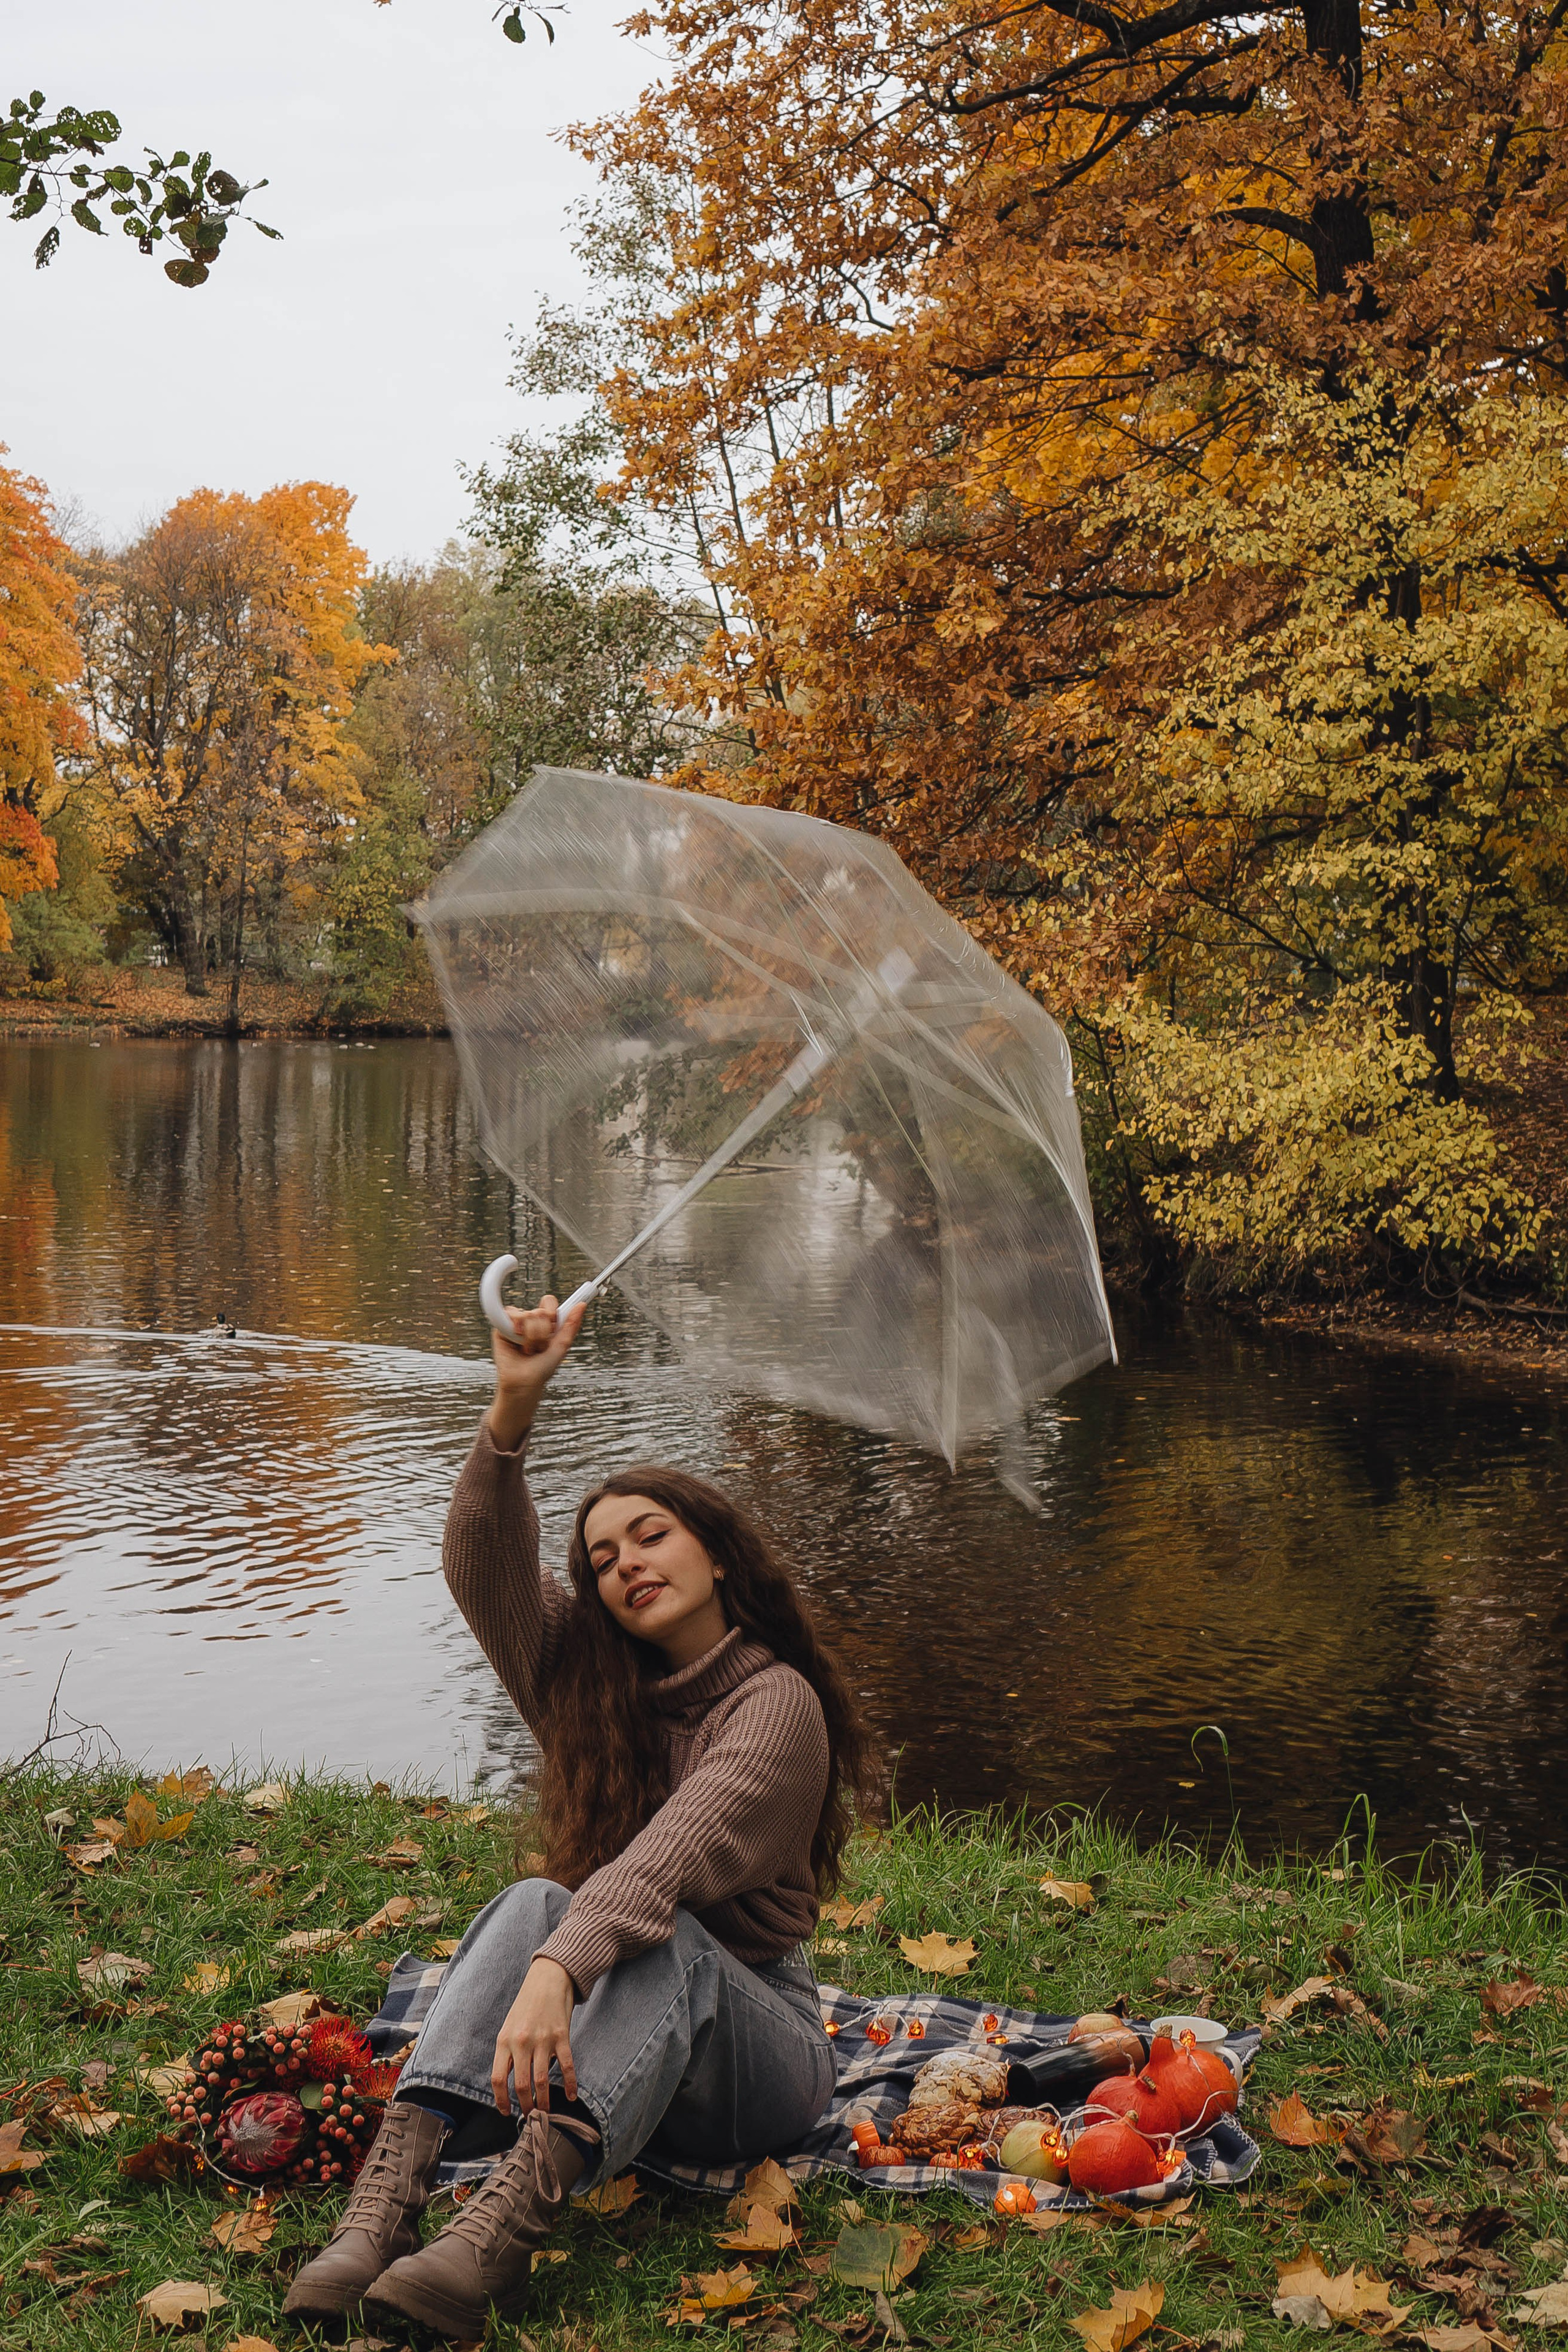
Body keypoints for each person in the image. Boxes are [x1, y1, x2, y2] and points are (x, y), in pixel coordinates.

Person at [285, 1291, 869, 2341]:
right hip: (625, 2037)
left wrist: (560, 1967)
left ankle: (494, 2243)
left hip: (761, 2056)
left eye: (651, 1536)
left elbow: (666, 1863)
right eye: (602, 1561)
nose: (627, 1564)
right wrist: (511, 1411)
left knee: (652, 1936)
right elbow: (484, 1569)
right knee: (530, 1898)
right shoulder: (596, 1690)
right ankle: (383, 2213)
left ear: (719, 1555)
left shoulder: (776, 1704)